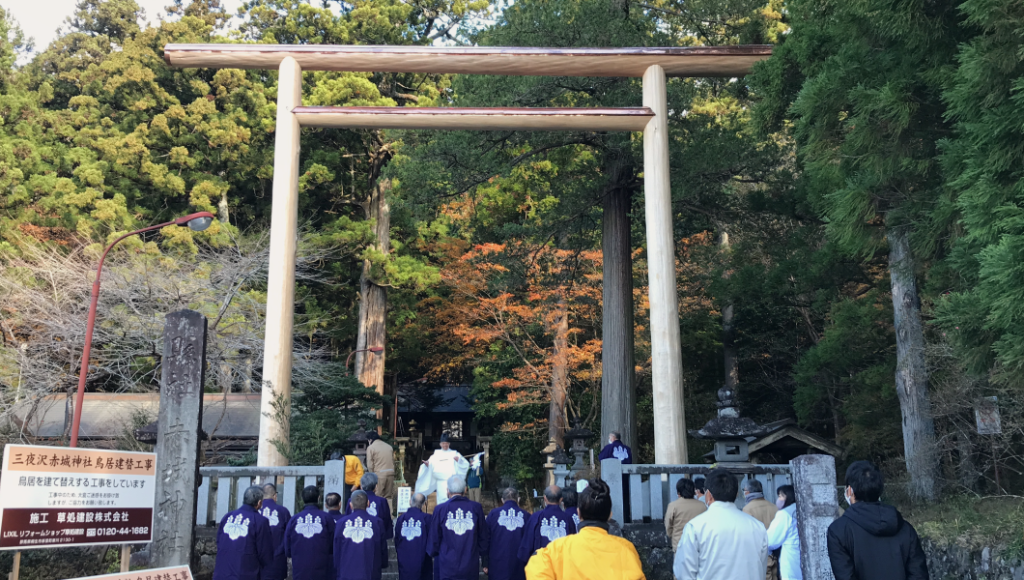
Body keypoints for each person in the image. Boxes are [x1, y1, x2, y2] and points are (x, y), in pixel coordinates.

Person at [524, 478, 644, 580]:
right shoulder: (626, 549)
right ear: (609, 516)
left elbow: (535, 571)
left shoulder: (555, 550)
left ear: (578, 513)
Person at [827, 460, 928, 580]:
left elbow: (845, 576)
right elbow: (918, 575)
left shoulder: (838, 531)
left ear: (849, 491)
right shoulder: (905, 528)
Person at [674, 468, 768, 580]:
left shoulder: (696, 527)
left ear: (708, 494)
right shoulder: (757, 526)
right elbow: (761, 570)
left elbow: (683, 573)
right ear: (737, 494)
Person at [427, 475, 490, 580]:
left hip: (447, 565)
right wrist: (485, 558)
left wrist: (434, 552)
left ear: (448, 490)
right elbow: (483, 537)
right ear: (465, 490)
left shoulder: (440, 509)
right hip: (470, 564)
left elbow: (433, 539)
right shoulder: (476, 507)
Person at [213, 485, 274, 580]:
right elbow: (265, 553)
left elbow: (219, 542)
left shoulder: (227, 516)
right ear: (259, 503)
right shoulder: (260, 521)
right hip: (245, 573)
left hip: (222, 572)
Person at [335, 490, 388, 580]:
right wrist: (383, 563)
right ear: (368, 503)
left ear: (351, 505)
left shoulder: (341, 523)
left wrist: (337, 566)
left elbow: (337, 547)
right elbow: (382, 548)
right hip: (370, 570)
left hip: (346, 570)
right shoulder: (377, 522)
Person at [285, 485, 336, 580]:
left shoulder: (294, 520)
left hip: (300, 568)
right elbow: (333, 545)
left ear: (303, 499)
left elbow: (287, 549)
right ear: (318, 498)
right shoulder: (327, 518)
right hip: (322, 567)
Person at [518, 485, 577, 562]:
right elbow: (572, 545)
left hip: (541, 565)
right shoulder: (568, 519)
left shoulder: (536, 517)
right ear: (561, 500)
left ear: (545, 498)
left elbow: (527, 546)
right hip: (561, 565)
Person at [486, 487, 528, 580]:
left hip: (497, 561)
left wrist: (485, 562)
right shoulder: (526, 515)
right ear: (518, 499)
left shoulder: (493, 514)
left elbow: (486, 539)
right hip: (519, 562)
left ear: (502, 500)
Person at [417, 433, 470, 504]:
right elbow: (430, 463)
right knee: (441, 501)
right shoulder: (436, 454)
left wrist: (459, 461)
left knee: (452, 501)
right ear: (440, 444)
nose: (445, 445)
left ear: (449, 444)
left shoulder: (454, 453)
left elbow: (465, 464)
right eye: (443, 443)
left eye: (446, 443)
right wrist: (427, 465)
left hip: (452, 482)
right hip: (440, 483)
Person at [394, 492, 433, 580]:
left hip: (404, 556)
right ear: (423, 504)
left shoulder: (401, 519)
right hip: (423, 557)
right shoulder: (428, 518)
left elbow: (397, 539)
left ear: (410, 501)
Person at [345, 473, 394, 541]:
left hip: (353, 538)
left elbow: (347, 518)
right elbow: (386, 522)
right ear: (376, 487)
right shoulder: (381, 501)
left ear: (361, 486)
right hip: (376, 537)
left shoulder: (351, 500)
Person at [766, 485, 800, 580]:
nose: (778, 499)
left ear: (789, 496)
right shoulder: (804, 510)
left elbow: (771, 541)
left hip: (791, 561)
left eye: (780, 496)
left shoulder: (784, 514)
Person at [259, 483, 291, 580]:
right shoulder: (283, 511)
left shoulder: (255, 512)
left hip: (258, 560)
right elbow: (289, 535)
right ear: (275, 496)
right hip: (278, 559)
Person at [664, 478, 706, 551]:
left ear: (678, 492)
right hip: (698, 544)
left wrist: (673, 535)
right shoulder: (702, 506)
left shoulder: (673, 506)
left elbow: (668, 526)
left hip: (679, 543)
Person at [366, 432, 396, 508]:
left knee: (378, 496)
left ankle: (379, 515)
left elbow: (370, 464)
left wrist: (371, 476)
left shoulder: (371, 448)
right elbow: (393, 461)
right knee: (388, 497)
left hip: (379, 474)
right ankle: (390, 516)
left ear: (370, 440)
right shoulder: (389, 447)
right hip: (391, 473)